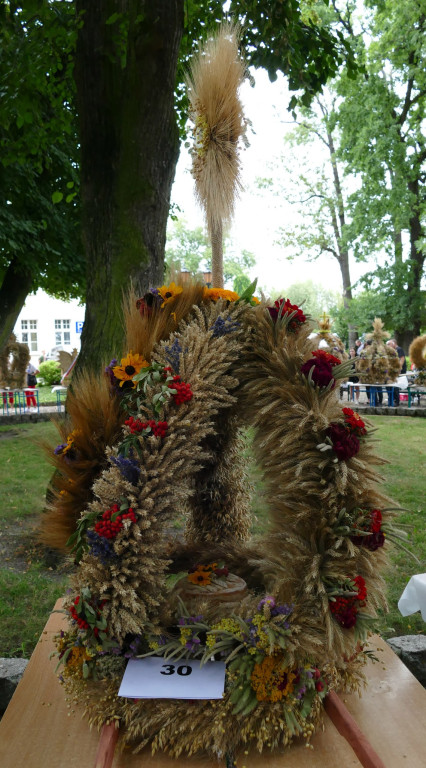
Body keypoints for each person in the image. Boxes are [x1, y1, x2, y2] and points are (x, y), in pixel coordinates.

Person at [386, 339, 406, 406]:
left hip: (399, 372)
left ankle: (396, 401)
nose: (388, 346)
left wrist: (398, 369)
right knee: (389, 386)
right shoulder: (391, 352)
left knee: (395, 386)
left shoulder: (399, 349)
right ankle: (391, 400)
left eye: (389, 344)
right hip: (391, 372)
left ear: (393, 343)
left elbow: (402, 359)